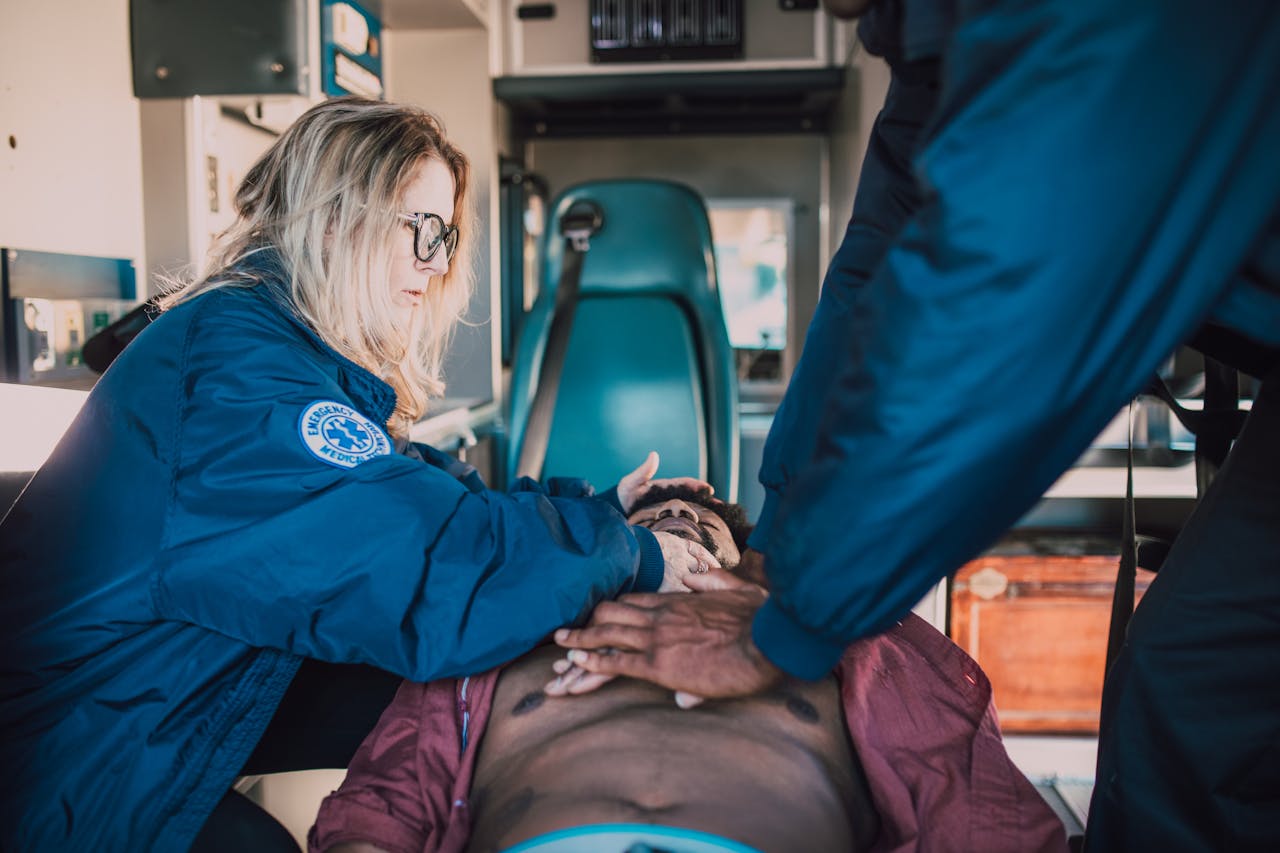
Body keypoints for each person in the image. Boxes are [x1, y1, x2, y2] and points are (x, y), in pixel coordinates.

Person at [554, 2, 1280, 849]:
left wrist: (796, 623)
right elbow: (873, 277)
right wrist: (780, 545)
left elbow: (993, 313)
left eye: (697, 515)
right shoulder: (941, 51)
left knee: (1198, 686)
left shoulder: (1078, 22)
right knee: (1196, 679)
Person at [0, 97, 723, 851]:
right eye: (425, 231)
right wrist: (630, 554)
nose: (438, 263)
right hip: (68, 760)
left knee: (451, 680)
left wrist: (597, 508)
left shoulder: (276, 345)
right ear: (339, 217)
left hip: (142, 692)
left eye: (445, 237)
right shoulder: (240, 374)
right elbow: (420, 554)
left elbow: (417, 492)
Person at [308, 485, 1066, 853]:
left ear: (749, 565)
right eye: (654, 524)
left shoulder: (846, 641)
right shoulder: (504, 633)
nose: (680, 521)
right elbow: (386, 800)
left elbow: (973, 806)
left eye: (704, 526)